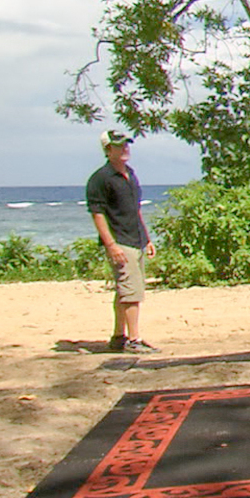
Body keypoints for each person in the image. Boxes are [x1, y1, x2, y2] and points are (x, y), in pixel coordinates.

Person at [85, 128, 158, 353]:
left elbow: (135, 210)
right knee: (132, 293)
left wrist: (146, 238)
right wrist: (111, 245)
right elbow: (97, 214)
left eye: (126, 144)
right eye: (119, 145)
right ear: (108, 150)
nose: (125, 148)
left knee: (125, 291)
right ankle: (134, 340)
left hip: (135, 239)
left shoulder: (130, 173)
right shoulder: (100, 179)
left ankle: (119, 337)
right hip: (120, 241)